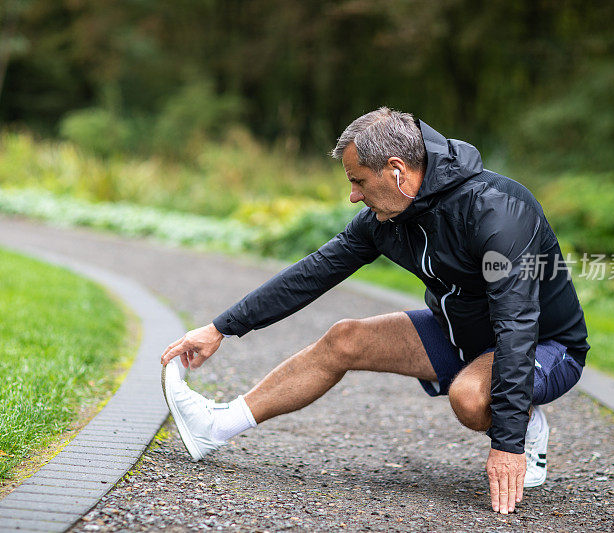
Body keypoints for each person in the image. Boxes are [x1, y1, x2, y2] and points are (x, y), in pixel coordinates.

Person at [160, 107, 589, 515]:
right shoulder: (386, 218)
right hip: (462, 333)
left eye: (358, 181)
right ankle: (215, 428)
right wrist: (220, 327)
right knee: (345, 338)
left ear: (397, 171)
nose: (353, 196)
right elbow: (313, 272)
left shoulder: (496, 210)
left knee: (471, 397)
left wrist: (508, 445)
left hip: (544, 344)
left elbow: (516, 326)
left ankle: (527, 422)